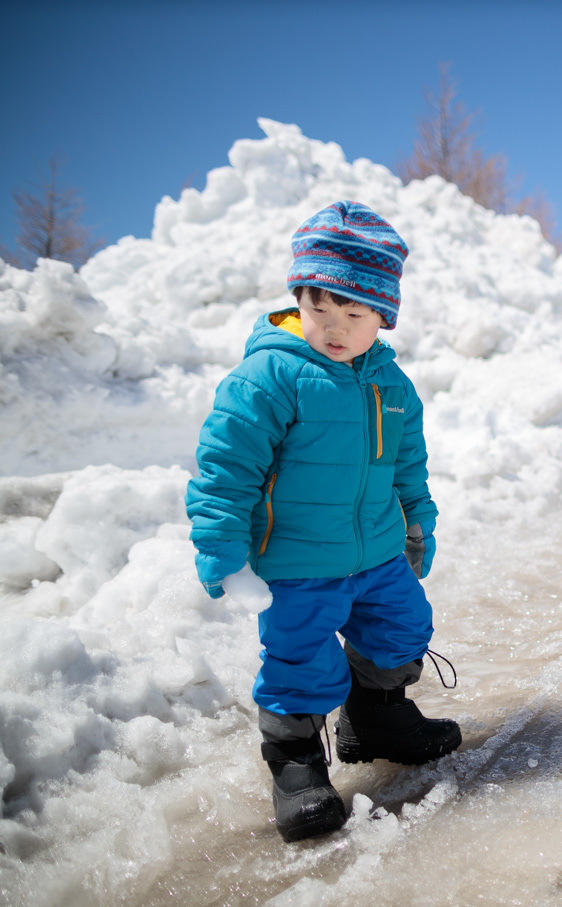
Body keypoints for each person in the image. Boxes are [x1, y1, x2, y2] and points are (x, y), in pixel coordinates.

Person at [185, 201, 460, 842]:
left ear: (383, 314)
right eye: (319, 310)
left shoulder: (392, 385)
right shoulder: (268, 378)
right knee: (300, 660)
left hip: (380, 555)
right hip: (299, 564)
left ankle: (378, 717)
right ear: (298, 300)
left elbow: (407, 465)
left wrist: (417, 521)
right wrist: (222, 549)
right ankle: (297, 766)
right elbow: (224, 469)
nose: (334, 328)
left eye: (354, 314)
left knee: (402, 630)